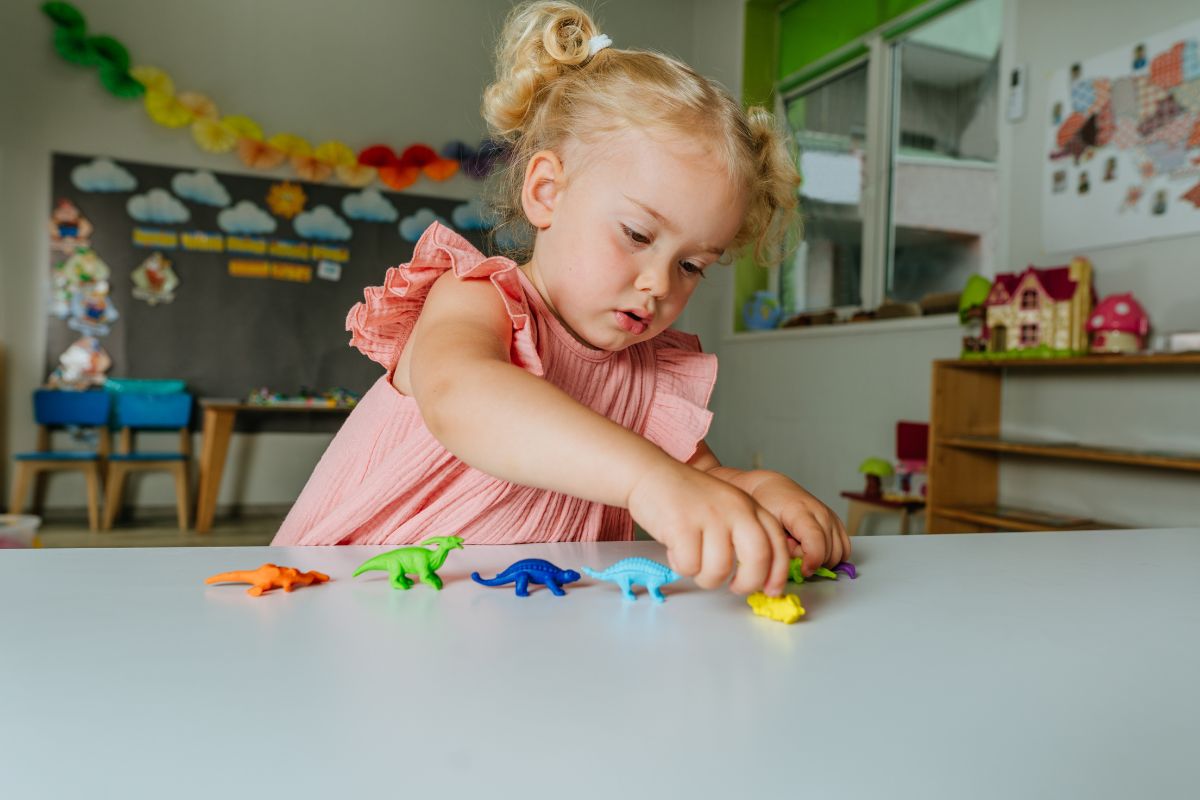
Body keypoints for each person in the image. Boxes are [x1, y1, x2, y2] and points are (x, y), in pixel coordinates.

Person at [272, 1, 849, 597]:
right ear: (546, 192)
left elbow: (697, 479)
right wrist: (645, 479)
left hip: (510, 642)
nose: (660, 283)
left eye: (691, 265)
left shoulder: (647, 375)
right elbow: (461, 395)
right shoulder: (479, 299)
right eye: (637, 235)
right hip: (343, 602)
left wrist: (756, 493)